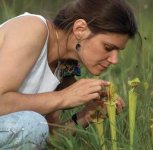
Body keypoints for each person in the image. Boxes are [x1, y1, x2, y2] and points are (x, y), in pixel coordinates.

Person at [0, 0, 137, 149]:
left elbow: (44, 140)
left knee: (35, 127)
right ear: (80, 29)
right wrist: (64, 97)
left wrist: (85, 116)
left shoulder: (64, 67)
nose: (114, 60)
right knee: (30, 124)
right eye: (108, 47)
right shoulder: (32, 28)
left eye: (118, 52)